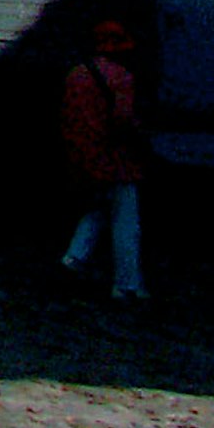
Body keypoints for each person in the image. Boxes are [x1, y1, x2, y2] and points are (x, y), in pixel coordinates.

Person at [60, 16, 149, 301]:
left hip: (85, 155)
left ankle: (74, 259)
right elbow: (124, 121)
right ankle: (127, 284)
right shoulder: (123, 78)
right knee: (126, 222)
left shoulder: (76, 74)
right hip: (116, 160)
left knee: (96, 209)